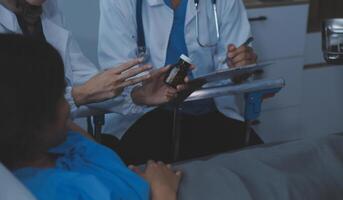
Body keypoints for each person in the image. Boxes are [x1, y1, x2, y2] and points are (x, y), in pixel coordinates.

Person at [0, 34, 182, 200]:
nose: (68, 104)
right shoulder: (50, 192)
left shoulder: (65, 140)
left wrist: (136, 95)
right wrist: (162, 192)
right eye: (61, 95)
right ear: (34, 118)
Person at [98, 0, 262, 164]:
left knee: (259, 168)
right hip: (143, 117)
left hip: (210, 112)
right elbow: (117, 78)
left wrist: (240, 66)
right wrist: (141, 92)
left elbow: (232, 67)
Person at [0, 0, 184, 121]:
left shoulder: (47, 10)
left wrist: (137, 96)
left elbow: (86, 81)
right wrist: (78, 95)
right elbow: (13, 114)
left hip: (55, 144)